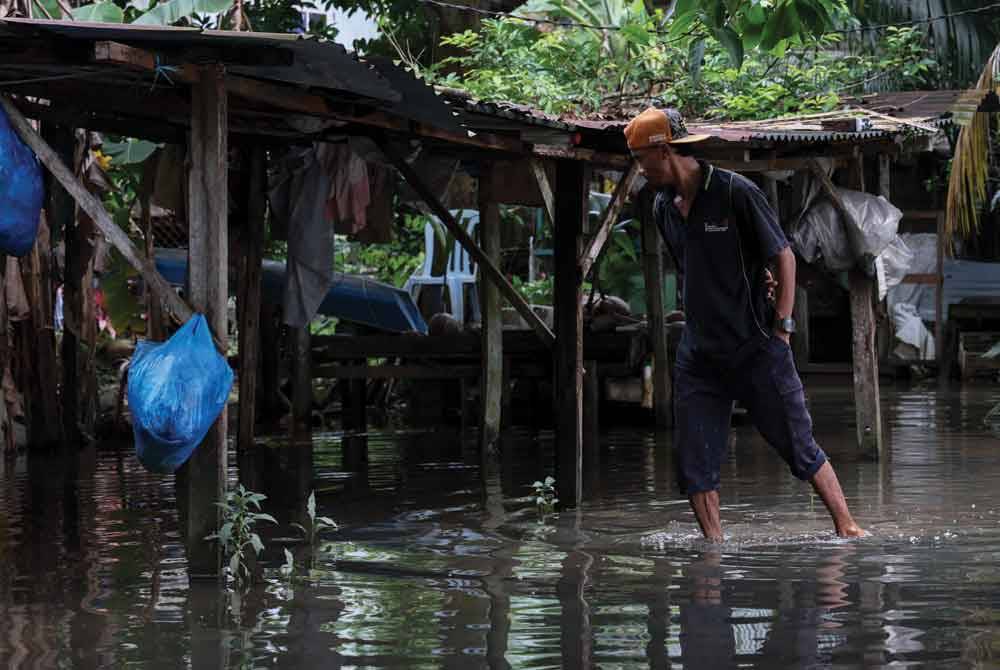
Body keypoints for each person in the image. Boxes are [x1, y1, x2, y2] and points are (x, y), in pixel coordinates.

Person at [624, 106, 864, 540]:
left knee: (798, 445)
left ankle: (847, 527)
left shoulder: (736, 193)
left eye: (642, 159)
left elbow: (783, 256)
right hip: (700, 353)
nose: (640, 169)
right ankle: (713, 551)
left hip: (756, 345)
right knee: (693, 459)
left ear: (664, 151)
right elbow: (693, 267)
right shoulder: (662, 207)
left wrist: (783, 329)